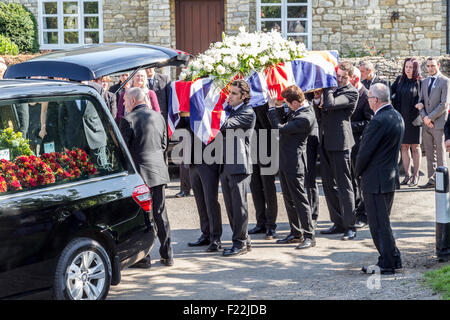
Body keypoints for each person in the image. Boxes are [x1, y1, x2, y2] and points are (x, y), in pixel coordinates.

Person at [119, 87, 173, 267]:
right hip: (158, 171)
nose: (124, 103)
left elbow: (123, 151)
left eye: (125, 100)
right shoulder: (158, 117)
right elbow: (165, 144)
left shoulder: (127, 120)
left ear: (133, 101)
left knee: (143, 217)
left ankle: (144, 258)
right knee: (160, 213)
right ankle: (167, 255)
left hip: (139, 175)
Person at [356, 83, 404, 275]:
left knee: (378, 224)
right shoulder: (396, 115)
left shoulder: (378, 120)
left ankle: (387, 262)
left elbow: (365, 151)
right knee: (382, 222)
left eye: (368, 97)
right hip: (388, 177)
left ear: (375, 100)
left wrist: (358, 171)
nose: (368, 101)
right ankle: (392, 258)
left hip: (375, 179)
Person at [313, 61, 358, 241]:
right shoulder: (333, 91)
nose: (339, 80)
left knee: (344, 185)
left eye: (343, 77)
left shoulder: (351, 92)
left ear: (351, 78)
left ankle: (350, 225)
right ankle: (338, 222)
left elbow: (330, 105)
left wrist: (328, 86)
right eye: (337, 76)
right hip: (325, 142)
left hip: (341, 143)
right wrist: (317, 99)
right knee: (328, 185)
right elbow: (321, 111)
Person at [267, 85, 316, 249]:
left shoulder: (305, 117)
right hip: (285, 160)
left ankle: (309, 235)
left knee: (300, 200)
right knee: (289, 199)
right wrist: (279, 107)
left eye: (288, 103)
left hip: (295, 163)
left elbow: (279, 128)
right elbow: (283, 120)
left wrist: (272, 108)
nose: (287, 106)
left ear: (295, 102)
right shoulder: (298, 110)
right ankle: (296, 233)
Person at [220, 79, 256, 257]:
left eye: (234, 93)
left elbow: (224, 125)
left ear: (244, 96)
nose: (230, 96)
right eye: (230, 92)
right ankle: (244, 240)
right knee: (231, 206)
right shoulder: (230, 110)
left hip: (239, 165)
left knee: (239, 206)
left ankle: (240, 242)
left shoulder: (247, 111)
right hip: (227, 164)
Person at [187, 126, 223, 252]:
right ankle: (206, 233)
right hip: (193, 159)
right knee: (200, 201)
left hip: (208, 158)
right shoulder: (192, 109)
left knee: (210, 200)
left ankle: (215, 237)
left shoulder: (210, 108)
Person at [416, 57, 450, 189]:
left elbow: (444, 104)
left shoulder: (445, 81)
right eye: (428, 66)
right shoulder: (424, 82)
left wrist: (430, 118)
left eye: (433, 65)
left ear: (439, 65)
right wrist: (425, 118)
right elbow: (421, 103)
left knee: (440, 153)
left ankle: (444, 182)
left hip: (439, 122)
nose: (430, 68)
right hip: (426, 123)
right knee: (430, 153)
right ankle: (432, 180)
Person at [391, 58, 423, 187]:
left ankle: (415, 176)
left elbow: (425, 99)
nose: (408, 69)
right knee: (404, 147)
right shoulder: (399, 80)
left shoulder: (420, 82)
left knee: (415, 147)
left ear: (415, 68)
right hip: (401, 119)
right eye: (406, 66)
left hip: (415, 119)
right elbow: (389, 93)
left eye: (410, 67)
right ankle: (407, 175)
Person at [248, 102, 278, 240]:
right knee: (255, 187)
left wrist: (260, 102)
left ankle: (271, 225)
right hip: (251, 148)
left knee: (268, 188)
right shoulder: (247, 104)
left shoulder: (263, 101)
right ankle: (261, 222)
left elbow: (268, 124)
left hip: (267, 146)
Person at [349, 66, 373, 228]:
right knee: (351, 181)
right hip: (348, 145)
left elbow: (369, 121)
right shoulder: (348, 93)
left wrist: (348, 126)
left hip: (360, 144)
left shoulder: (366, 95)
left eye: (346, 79)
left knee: (361, 182)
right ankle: (355, 212)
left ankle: (364, 215)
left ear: (355, 79)